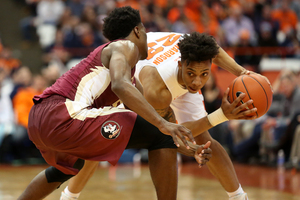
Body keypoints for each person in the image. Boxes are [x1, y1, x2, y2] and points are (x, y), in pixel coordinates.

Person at [17, 7, 215, 200]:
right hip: (63, 113)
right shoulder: (124, 46)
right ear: (137, 30)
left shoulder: (128, 79)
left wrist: (191, 149)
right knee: (158, 131)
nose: (147, 38)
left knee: (69, 167)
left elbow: (158, 130)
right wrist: (163, 124)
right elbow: (121, 86)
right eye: (145, 31)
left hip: (40, 121)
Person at [60, 32, 262, 200]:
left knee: (205, 139)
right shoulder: (157, 91)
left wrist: (243, 72)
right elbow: (170, 135)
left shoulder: (195, 47)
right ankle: (68, 197)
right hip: (135, 83)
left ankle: (238, 197)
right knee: (100, 144)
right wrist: (221, 115)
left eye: (204, 74)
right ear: (181, 64)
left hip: (165, 68)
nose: (198, 82)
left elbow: (214, 50)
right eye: (191, 73)